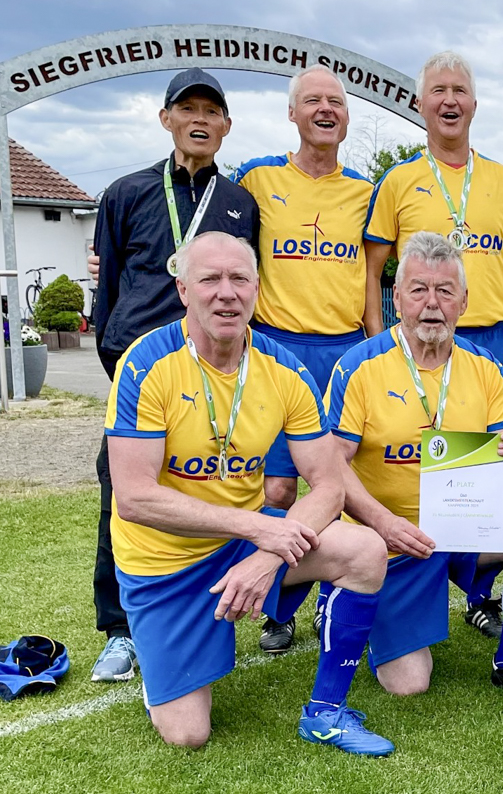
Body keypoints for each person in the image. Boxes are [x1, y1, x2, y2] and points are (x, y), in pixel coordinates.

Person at [105, 231, 392, 754]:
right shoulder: (145, 364)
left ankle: (326, 712)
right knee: (188, 735)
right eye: (210, 279)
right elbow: (134, 498)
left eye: (239, 279)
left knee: (365, 550)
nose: (227, 292)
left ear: (257, 289)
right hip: (163, 564)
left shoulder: (285, 369)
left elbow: (329, 485)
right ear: (183, 290)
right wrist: (259, 528)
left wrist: (267, 554)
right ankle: (160, 664)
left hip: (245, 544)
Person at [327, 232, 503, 703]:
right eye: (419, 290)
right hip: (392, 539)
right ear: (397, 298)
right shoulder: (360, 365)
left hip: (462, 526)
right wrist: (385, 524)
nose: (432, 303)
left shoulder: (486, 367)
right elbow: (331, 469)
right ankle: (352, 598)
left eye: (445, 291)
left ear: (464, 301)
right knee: (409, 684)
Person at [89, 68, 259, 683]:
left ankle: (221, 599)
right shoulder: (126, 193)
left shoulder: (239, 203)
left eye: (211, 112)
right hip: (143, 369)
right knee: (123, 490)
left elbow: (245, 285)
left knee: (214, 483)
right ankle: (120, 629)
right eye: (188, 109)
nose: (200, 120)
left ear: (226, 125)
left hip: (212, 369)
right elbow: (109, 287)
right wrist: (119, 357)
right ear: (166, 119)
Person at [362, 51, 503, 639]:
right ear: (420, 104)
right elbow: (374, 268)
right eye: (438, 90)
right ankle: (402, 571)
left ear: (475, 104)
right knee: (415, 460)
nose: (449, 100)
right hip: (419, 339)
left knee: (497, 470)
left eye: (459, 90)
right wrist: (378, 336)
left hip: (491, 337)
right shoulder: (398, 181)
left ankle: (480, 589)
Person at [232, 64, 374, 653]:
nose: (325, 110)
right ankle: (280, 605)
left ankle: (340, 590)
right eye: (312, 100)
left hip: (343, 350)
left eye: (335, 101)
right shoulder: (257, 178)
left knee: (339, 486)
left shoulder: (366, 191)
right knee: (277, 490)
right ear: (291, 113)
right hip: (278, 348)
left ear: (347, 116)